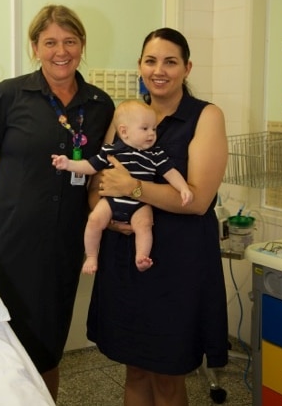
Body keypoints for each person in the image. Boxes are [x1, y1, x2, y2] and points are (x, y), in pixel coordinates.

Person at [0, 4, 114, 402]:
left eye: (69, 41)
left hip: (61, 245)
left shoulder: (100, 105)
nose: (60, 51)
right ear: (35, 47)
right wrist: (10, 212)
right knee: (0, 339)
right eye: (50, 42)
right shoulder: (11, 94)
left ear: (82, 45)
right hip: (5, 244)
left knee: (48, 346)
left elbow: (97, 175)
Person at [86, 27, 229, 406]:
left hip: (178, 263)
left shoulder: (204, 117)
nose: (159, 70)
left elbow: (197, 201)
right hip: (127, 259)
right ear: (140, 66)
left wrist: (132, 189)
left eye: (170, 61)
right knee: (133, 369)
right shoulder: (126, 115)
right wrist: (105, 215)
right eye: (151, 60)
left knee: (168, 375)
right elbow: (99, 177)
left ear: (187, 68)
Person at [51, 99, 193, 275]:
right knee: (94, 220)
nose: (151, 134)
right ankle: (91, 256)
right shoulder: (110, 151)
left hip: (140, 202)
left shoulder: (156, 154)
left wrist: (183, 188)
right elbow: (90, 166)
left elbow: (170, 173)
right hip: (111, 201)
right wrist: (69, 164)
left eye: (154, 129)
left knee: (145, 225)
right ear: (124, 132)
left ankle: (141, 257)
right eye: (145, 128)